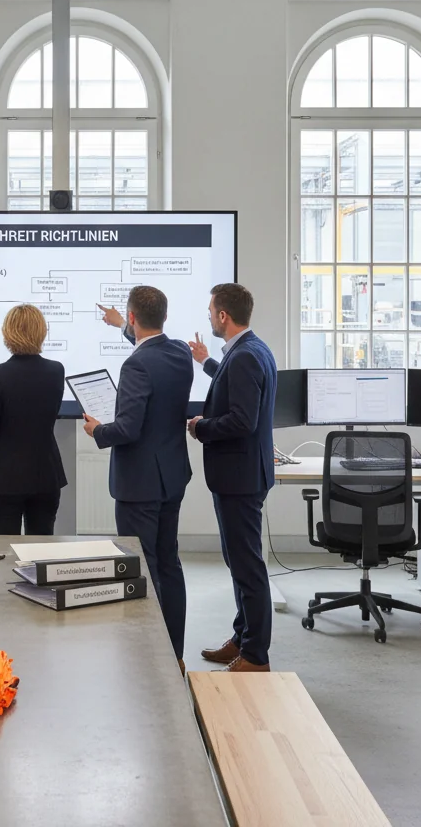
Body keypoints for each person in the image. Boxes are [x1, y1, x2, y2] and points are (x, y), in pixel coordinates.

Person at [84, 286, 194, 667]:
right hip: (171, 477)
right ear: (164, 316)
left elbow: (127, 429)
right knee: (168, 563)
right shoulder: (180, 353)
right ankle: (174, 656)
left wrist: (97, 430)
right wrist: (121, 325)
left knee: (142, 570)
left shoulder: (135, 366)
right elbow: (150, 347)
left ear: (133, 317)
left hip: (139, 484)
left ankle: (150, 661)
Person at [186, 283, 277, 673]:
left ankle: (255, 656)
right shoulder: (253, 349)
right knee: (239, 561)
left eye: (211, 311)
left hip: (240, 478)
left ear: (223, 315)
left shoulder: (243, 357)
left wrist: (200, 427)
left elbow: (242, 420)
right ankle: (242, 638)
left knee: (247, 566)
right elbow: (234, 385)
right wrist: (206, 362)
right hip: (244, 473)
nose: (209, 317)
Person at [0, 304, 67, 535]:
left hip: (4, 478)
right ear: (42, 331)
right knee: (42, 548)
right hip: (46, 474)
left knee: (5, 549)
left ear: (8, 333)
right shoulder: (56, 371)